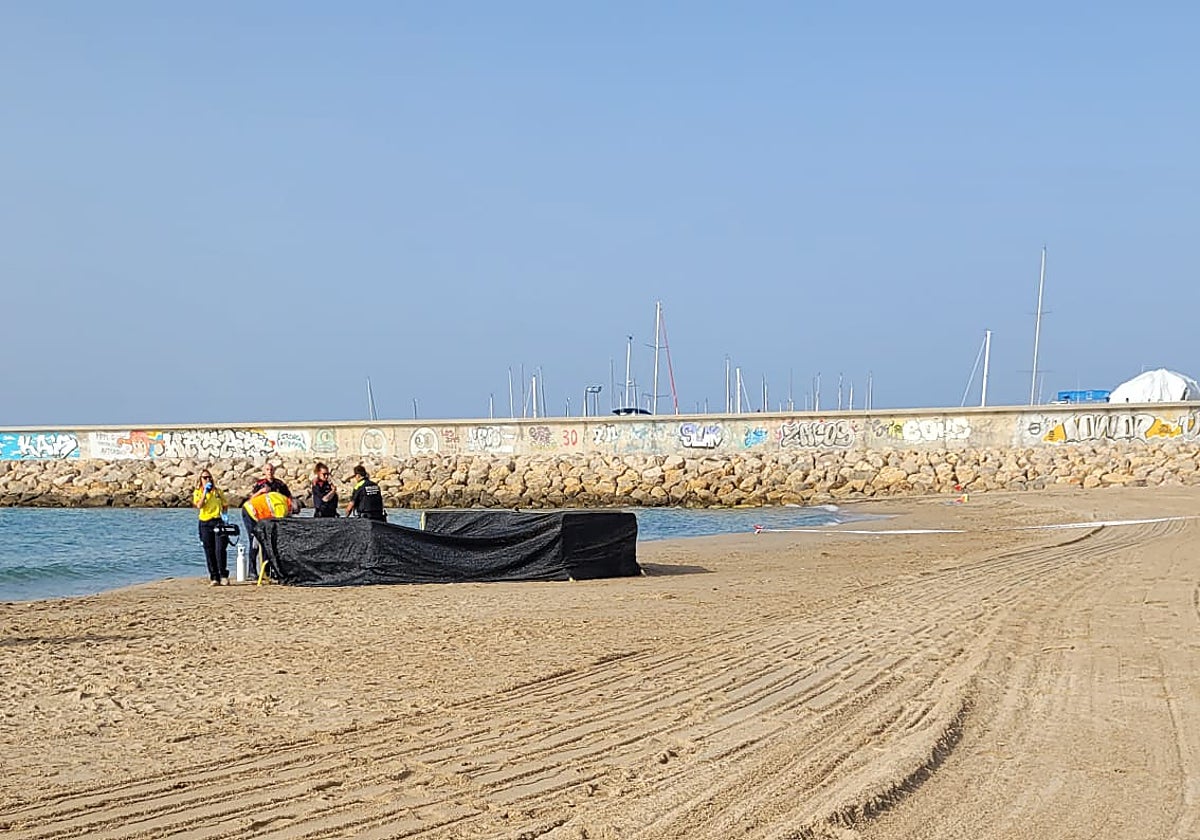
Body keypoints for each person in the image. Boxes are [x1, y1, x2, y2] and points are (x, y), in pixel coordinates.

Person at [244, 463, 293, 576]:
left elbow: (288, 498)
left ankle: (268, 570)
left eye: (271, 469)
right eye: (267, 470)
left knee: (269, 543)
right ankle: (252, 571)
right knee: (255, 542)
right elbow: (251, 500)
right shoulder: (260, 484)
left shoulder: (280, 484)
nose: (269, 472)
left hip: (271, 519)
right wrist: (261, 492)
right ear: (264, 471)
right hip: (255, 515)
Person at [193, 468, 229, 586]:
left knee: (220, 549)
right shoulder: (198, 492)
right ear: (200, 480)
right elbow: (199, 505)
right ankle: (214, 577)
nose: (207, 480)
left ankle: (223, 575)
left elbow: (225, 505)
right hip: (205, 522)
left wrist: (225, 515)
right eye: (204, 478)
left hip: (218, 521)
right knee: (209, 551)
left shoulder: (218, 492)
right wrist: (204, 493)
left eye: (209, 477)